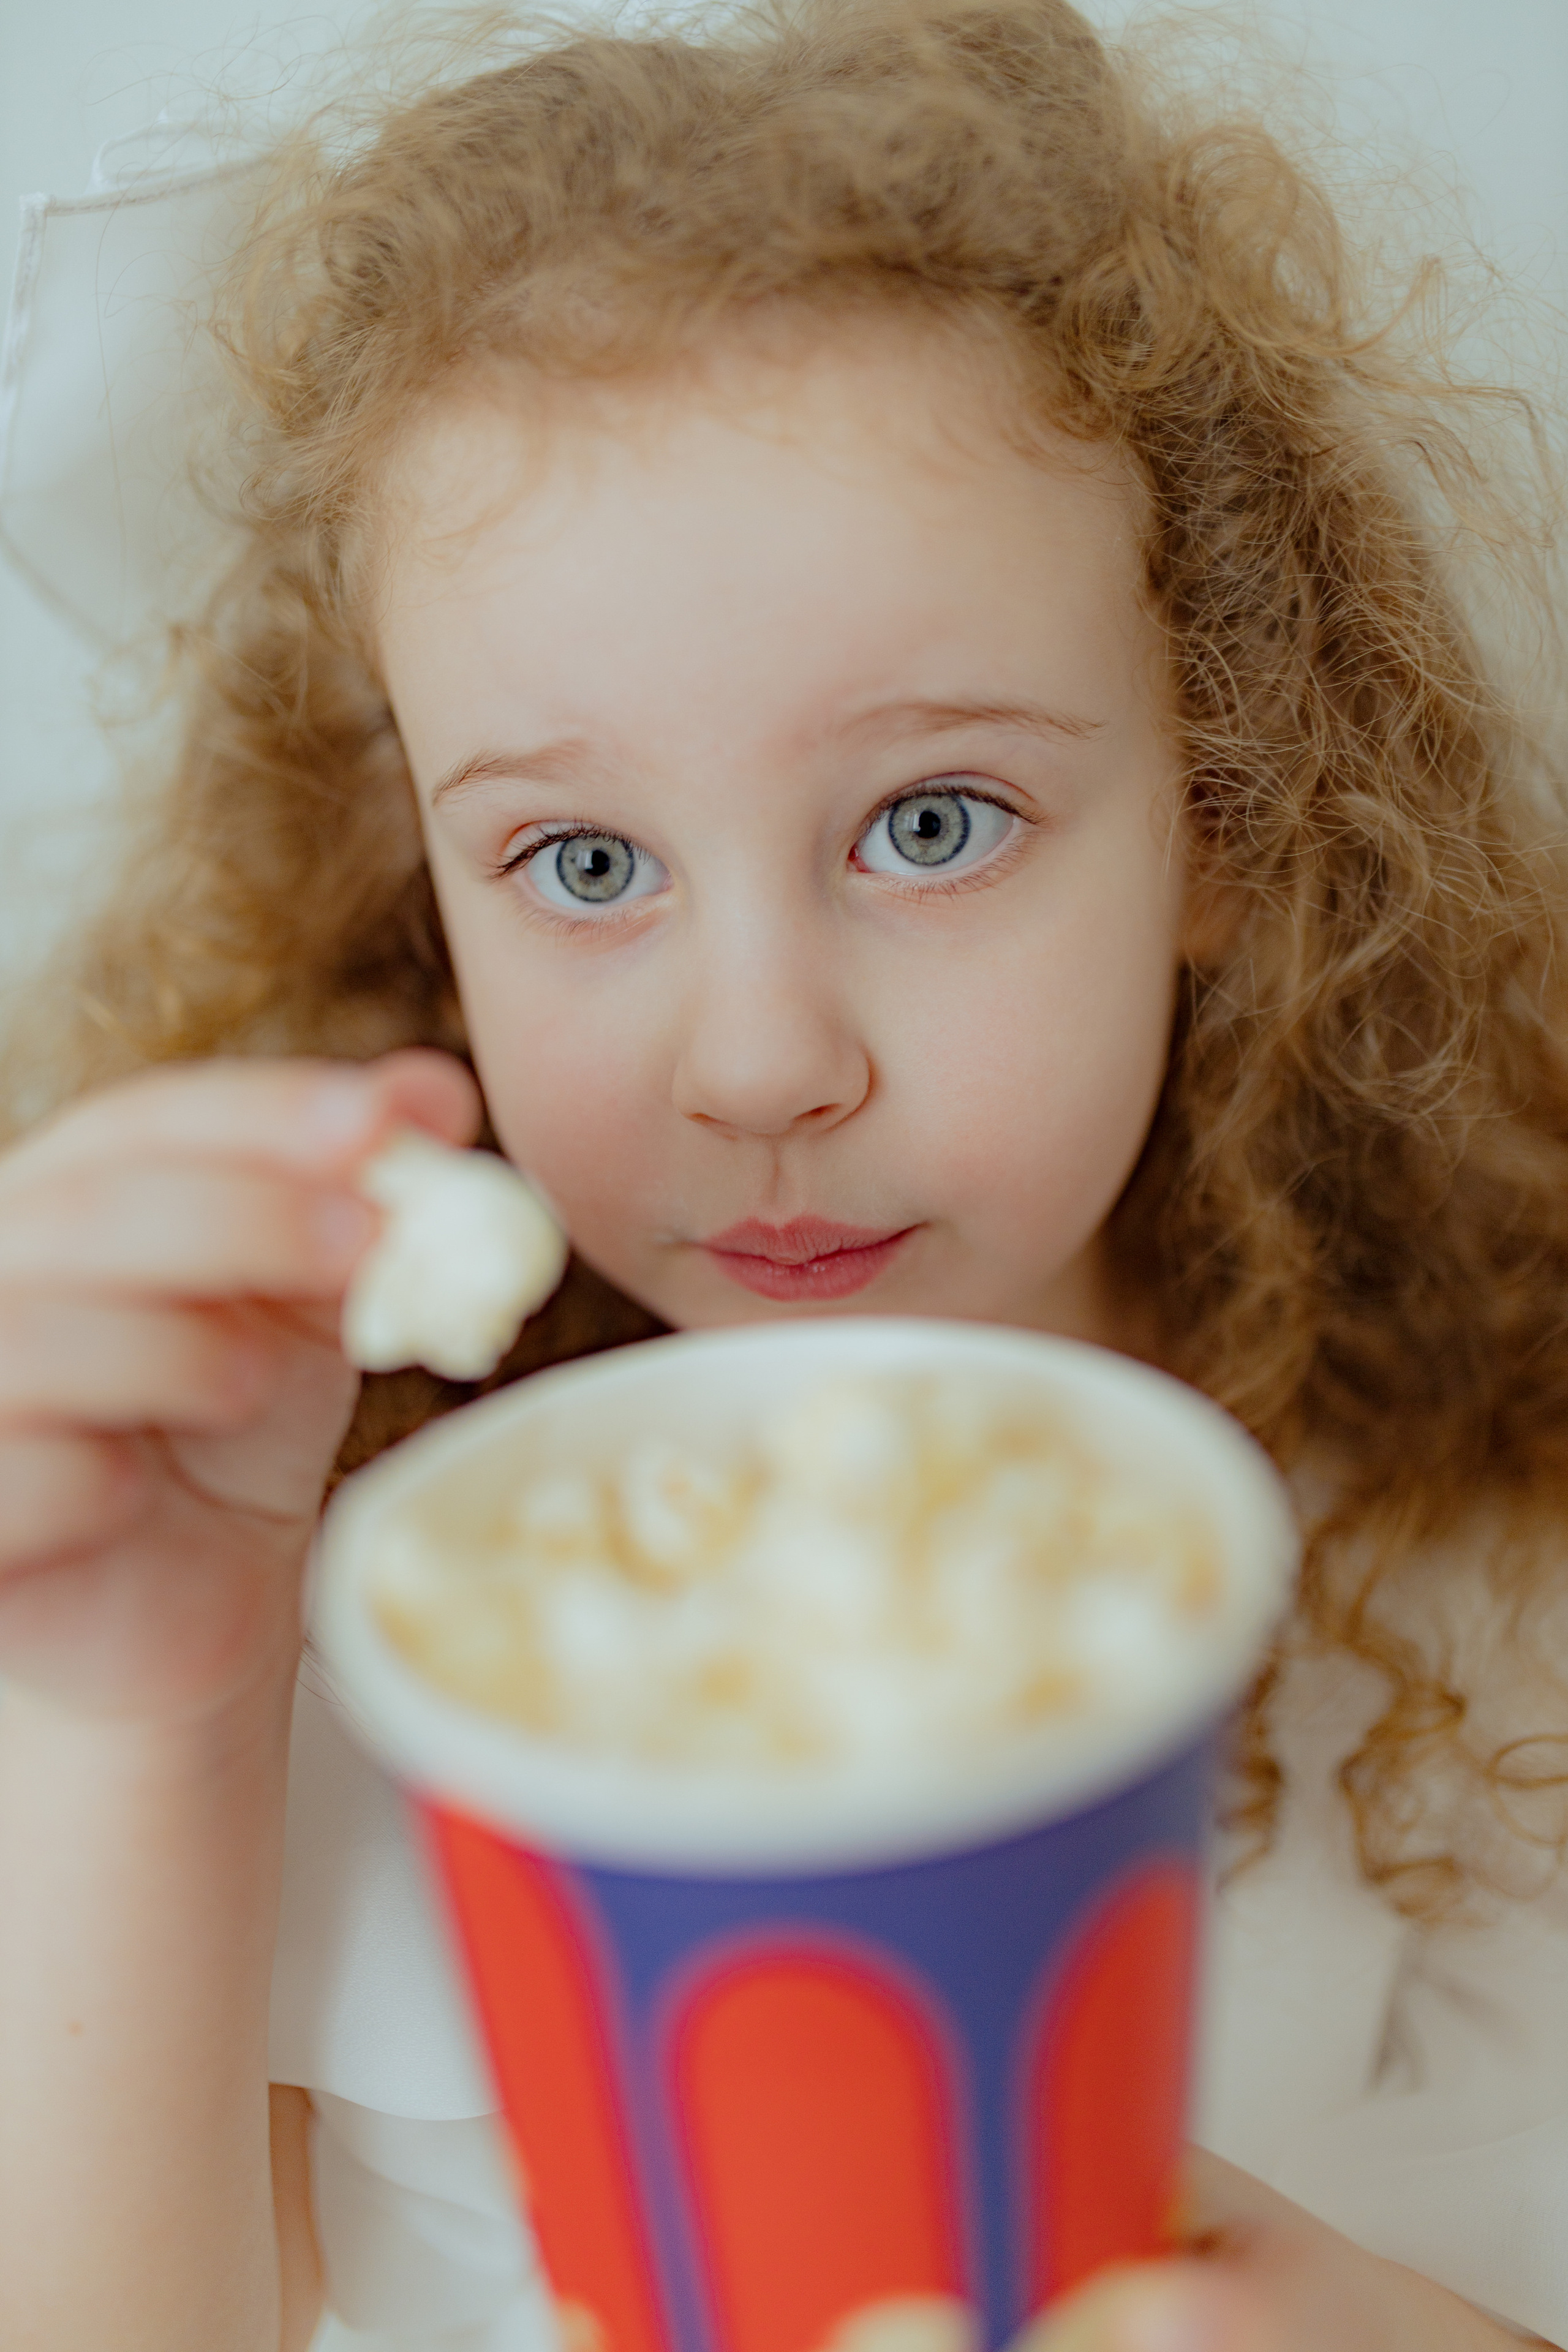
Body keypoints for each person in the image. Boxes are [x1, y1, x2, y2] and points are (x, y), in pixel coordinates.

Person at [2, 1, 1567, 2346]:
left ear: (1227, 820)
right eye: (583, 857)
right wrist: (153, 1712)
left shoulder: (1498, 1603)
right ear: (419, 872)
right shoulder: (325, 1638)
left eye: (934, 825)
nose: (758, 1059)